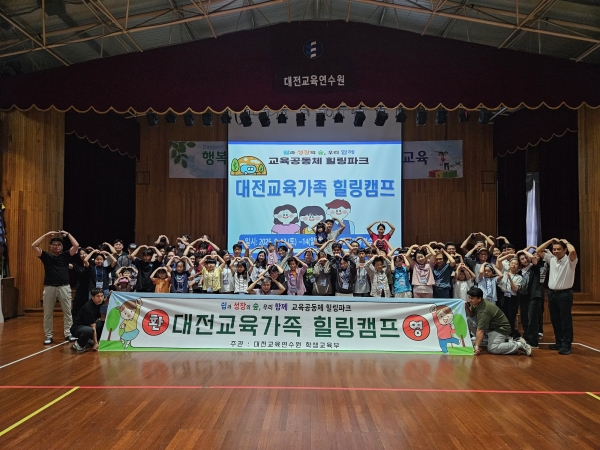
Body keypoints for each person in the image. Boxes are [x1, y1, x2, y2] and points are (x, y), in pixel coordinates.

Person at [32, 230, 80, 345]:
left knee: (67, 312)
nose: (56, 246)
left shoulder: (66, 255)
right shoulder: (46, 256)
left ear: (62, 247)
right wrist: (46, 235)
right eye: (54, 244)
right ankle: (49, 336)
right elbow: (34, 245)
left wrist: (68, 234)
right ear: (50, 246)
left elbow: (76, 245)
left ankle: (68, 334)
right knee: (48, 313)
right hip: (49, 287)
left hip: (64, 287)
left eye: (59, 245)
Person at [536, 238, 578, 355]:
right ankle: (559, 342)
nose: (555, 251)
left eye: (558, 249)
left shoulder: (570, 260)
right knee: (555, 319)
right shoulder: (552, 259)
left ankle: (566, 345)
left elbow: (573, 251)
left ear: (565, 250)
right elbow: (539, 250)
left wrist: (567, 242)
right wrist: (550, 241)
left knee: (565, 320)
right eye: (554, 249)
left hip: (565, 294)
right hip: (552, 293)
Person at [465, 287, 532, 356]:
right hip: (490, 327)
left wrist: (476, 347)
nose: (470, 300)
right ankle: (485, 341)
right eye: (469, 297)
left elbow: (480, 330)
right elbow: (471, 314)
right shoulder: (477, 303)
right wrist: (466, 306)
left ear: (479, 299)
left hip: (500, 329)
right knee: (469, 319)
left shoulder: (484, 310)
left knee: (493, 348)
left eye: (472, 298)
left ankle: (519, 344)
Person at [517, 250, 542, 348]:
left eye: (526, 258)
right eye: (522, 259)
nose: (525, 260)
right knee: (524, 319)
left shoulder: (534, 267)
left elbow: (533, 258)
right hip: (523, 297)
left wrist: (523, 251)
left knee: (532, 319)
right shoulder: (520, 271)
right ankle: (527, 338)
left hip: (533, 296)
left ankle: (533, 342)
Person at [70, 288, 106, 353]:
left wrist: (109, 296)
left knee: (103, 324)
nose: (100, 298)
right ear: (92, 297)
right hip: (77, 328)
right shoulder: (88, 308)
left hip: (87, 326)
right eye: (98, 296)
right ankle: (78, 344)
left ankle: (88, 340)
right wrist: (95, 343)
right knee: (90, 330)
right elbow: (93, 327)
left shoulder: (97, 302)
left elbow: (105, 302)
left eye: (102, 296)